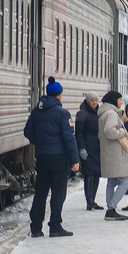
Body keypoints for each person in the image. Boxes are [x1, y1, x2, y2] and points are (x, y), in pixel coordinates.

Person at [23, 80, 80, 237]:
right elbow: (69, 138)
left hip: (42, 157)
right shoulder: (63, 114)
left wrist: (40, 143)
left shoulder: (36, 112)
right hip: (60, 158)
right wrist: (75, 160)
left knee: (41, 192)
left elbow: (27, 131)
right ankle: (55, 226)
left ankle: (35, 228)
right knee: (58, 192)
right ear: (59, 95)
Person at [97, 91, 128, 221]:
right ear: (114, 100)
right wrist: (123, 131)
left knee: (112, 181)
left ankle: (110, 208)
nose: (121, 102)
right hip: (116, 153)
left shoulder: (104, 113)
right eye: (120, 99)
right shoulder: (112, 114)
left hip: (109, 152)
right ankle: (112, 207)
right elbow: (109, 131)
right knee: (125, 181)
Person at [76, 92, 102, 210]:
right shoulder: (82, 114)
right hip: (88, 147)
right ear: (87, 101)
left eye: (96, 100)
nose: (94, 102)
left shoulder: (99, 114)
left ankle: (93, 200)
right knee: (89, 174)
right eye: (92, 100)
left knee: (96, 174)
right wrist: (81, 147)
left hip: (97, 148)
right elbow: (79, 133)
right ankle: (89, 201)